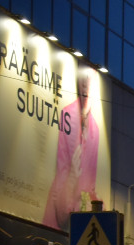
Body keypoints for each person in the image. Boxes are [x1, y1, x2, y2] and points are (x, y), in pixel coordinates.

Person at [42, 70, 100, 231]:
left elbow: (90, 183)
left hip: (79, 221)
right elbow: (62, 213)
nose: (86, 84)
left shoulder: (95, 129)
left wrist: (95, 204)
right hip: (59, 222)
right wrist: (73, 177)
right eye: (83, 79)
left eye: (90, 80)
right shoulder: (68, 114)